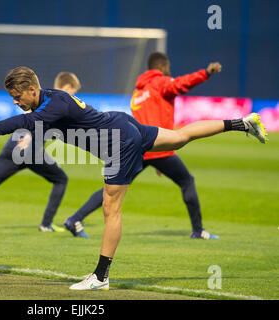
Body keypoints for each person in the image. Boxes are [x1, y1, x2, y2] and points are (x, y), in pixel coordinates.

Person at [0, 66, 267, 290]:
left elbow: (24, 120)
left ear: (32, 89)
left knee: (111, 209)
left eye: (17, 95)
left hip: (119, 144)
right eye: (12, 97)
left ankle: (100, 277)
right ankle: (242, 123)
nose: (15, 100)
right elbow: (29, 121)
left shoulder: (52, 104)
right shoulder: (51, 98)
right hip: (124, 126)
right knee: (182, 136)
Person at [64, 52, 222, 240]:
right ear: (162, 67)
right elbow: (182, 83)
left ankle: (75, 218)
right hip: (157, 145)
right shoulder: (162, 82)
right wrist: (206, 72)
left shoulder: (138, 92)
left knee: (112, 188)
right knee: (187, 181)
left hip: (139, 148)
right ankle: (198, 230)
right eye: (168, 67)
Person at [0, 72, 81, 232]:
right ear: (68, 87)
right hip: (29, 148)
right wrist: (29, 136)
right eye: (74, 91)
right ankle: (46, 224)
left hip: (13, 144)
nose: (74, 95)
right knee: (61, 179)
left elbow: (33, 120)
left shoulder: (45, 97)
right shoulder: (56, 102)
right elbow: (35, 122)